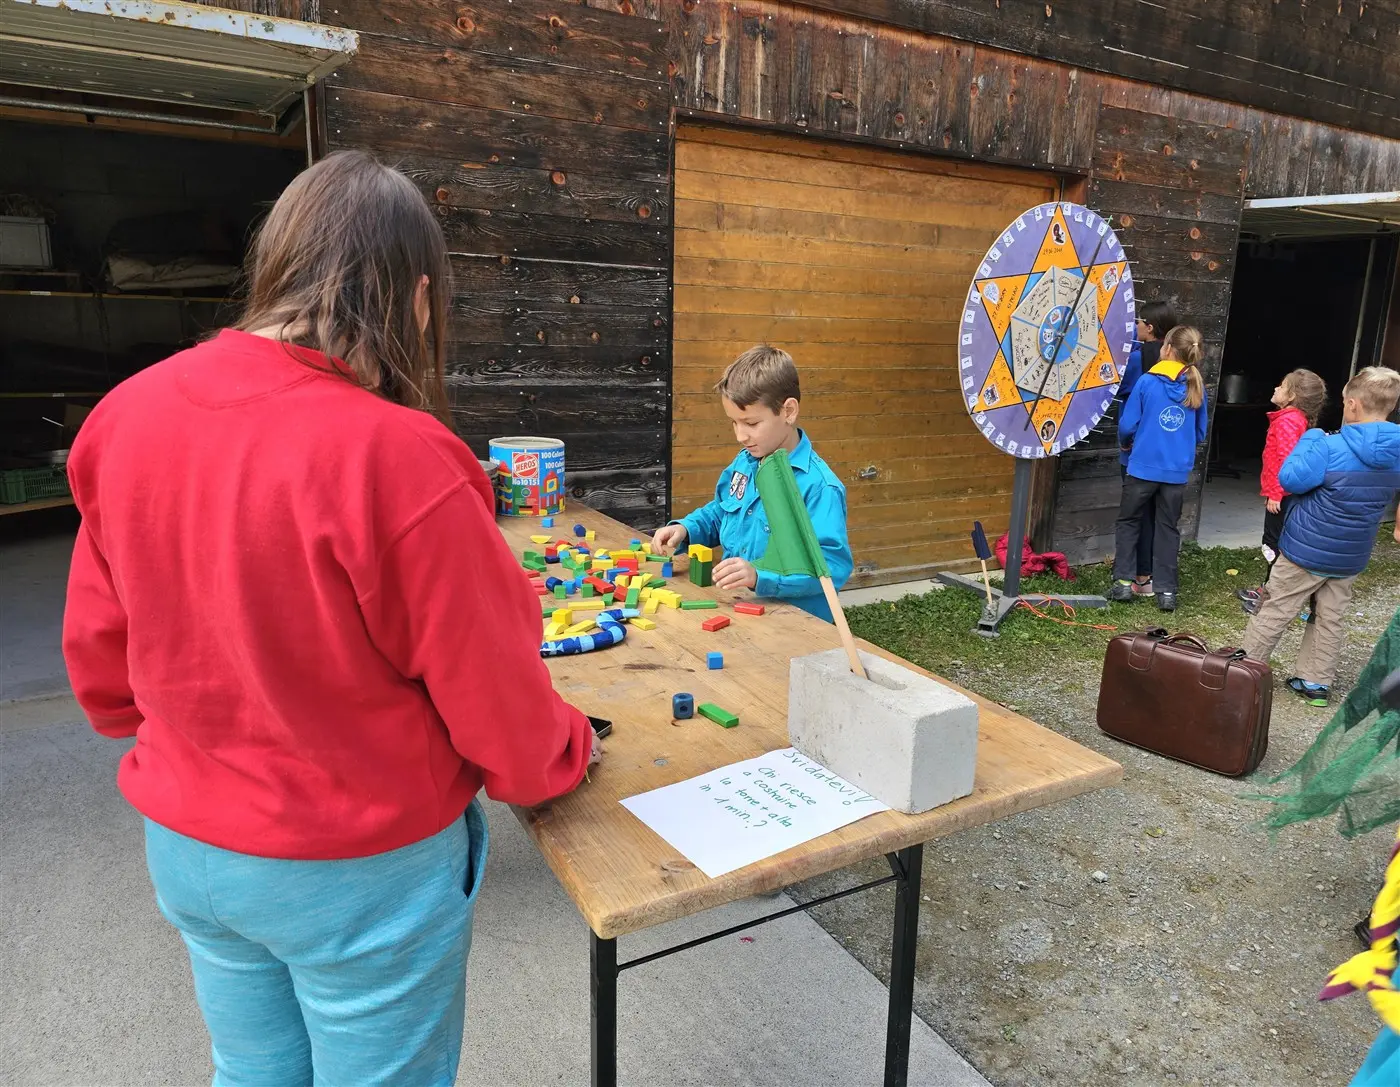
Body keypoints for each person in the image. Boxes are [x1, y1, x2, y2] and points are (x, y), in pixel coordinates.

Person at [61, 151, 598, 1086]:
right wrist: (566, 750)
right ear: (417, 298)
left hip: (190, 845)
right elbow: (499, 708)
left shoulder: (125, 416)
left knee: (252, 1074)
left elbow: (104, 673)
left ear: (278, 263)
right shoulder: (401, 456)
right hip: (358, 870)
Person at [651, 344, 852, 622]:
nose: (740, 435)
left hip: (798, 625)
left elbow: (831, 569)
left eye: (751, 423)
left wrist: (760, 577)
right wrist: (687, 529)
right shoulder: (745, 462)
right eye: (733, 423)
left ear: (788, 411)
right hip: (741, 612)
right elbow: (722, 511)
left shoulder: (820, 487)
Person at [1241, 365, 1400, 706]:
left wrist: (1311, 439)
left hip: (1306, 550)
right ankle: (1314, 682)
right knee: (1330, 616)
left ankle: (1244, 671)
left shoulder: (1330, 447)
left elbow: (1291, 479)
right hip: (1351, 555)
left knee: (1276, 607)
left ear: (1353, 404)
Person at [1107, 325, 1209, 612]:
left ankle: (1124, 584)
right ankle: (1166, 592)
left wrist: (1127, 443)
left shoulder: (1147, 382)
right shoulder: (1196, 385)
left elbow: (1127, 425)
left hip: (1141, 469)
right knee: (1168, 528)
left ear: (1166, 348)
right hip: (1176, 472)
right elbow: (1200, 433)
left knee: (1129, 521)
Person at [1237, 368, 1328, 615]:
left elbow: (1286, 460)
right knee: (1278, 542)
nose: (1276, 388)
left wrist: (1276, 492)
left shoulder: (1288, 420)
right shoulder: (1293, 419)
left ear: (1292, 396)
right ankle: (1270, 589)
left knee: (1272, 542)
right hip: (1286, 494)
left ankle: (1272, 596)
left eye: (1281, 386)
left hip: (1282, 496)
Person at [1117, 300, 1179, 598]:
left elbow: (1122, 396)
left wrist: (1125, 439)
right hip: (1171, 462)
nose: (1136, 326)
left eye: (1140, 322)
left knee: (1134, 516)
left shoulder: (1138, 362)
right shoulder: (1187, 375)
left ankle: (1135, 579)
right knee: (1162, 520)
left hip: (1137, 452)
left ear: (1150, 328)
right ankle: (1158, 583)